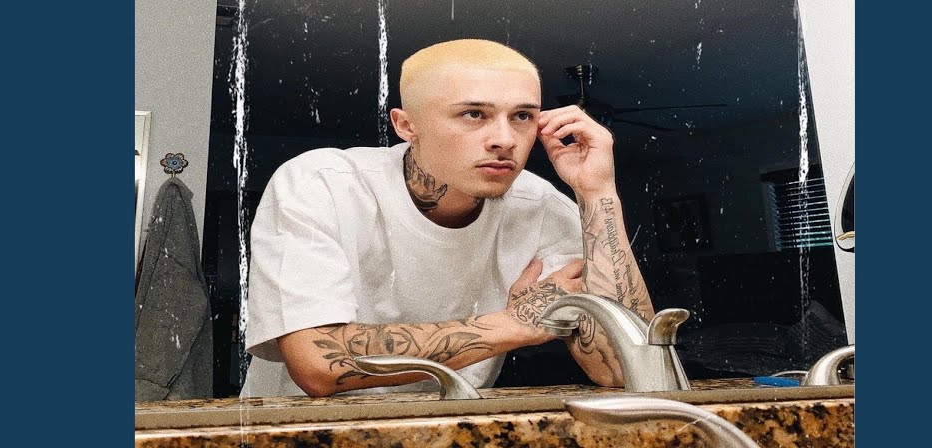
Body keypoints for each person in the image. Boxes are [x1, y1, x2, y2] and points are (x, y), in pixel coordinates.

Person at [241, 38, 653, 397]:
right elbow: (319, 365)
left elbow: (627, 370)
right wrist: (514, 325)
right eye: (474, 114)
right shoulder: (323, 184)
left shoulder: (541, 207)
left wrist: (598, 192)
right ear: (407, 125)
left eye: (522, 116)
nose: (505, 139)